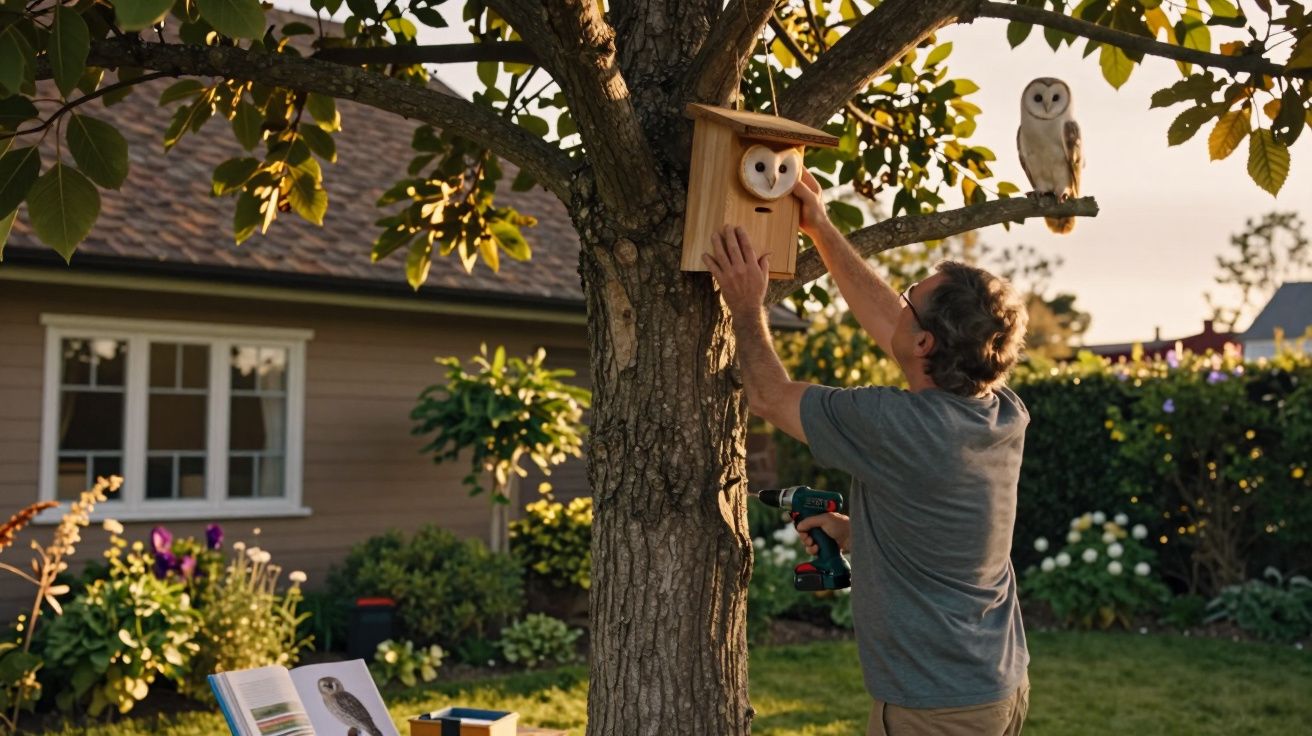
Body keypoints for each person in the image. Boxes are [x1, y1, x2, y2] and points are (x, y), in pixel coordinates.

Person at [703, 169, 1032, 735]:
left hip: (933, 708)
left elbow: (768, 397)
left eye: (910, 302)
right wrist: (820, 227)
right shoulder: (999, 410)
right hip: (992, 683)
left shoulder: (899, 426)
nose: (898, 308)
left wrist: (745, 305)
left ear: (926, 343)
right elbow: (894, 329)